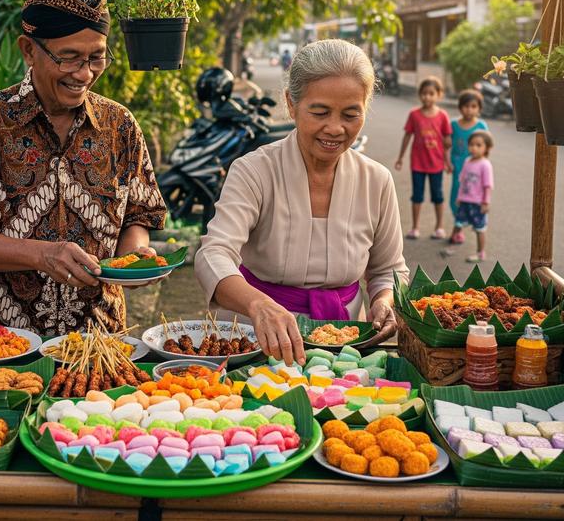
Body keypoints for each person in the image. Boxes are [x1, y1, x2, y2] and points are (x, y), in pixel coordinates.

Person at [0, 0, 167, 335]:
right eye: (69, 57)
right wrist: (41, 254)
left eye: (96, 57)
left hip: (98, 342)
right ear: (28, 50)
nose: (85, 73)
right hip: (0, 344)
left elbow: (139, 214)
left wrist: (133, 259)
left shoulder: (120, 125)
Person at [195, 39, 409, 364]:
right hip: (257, 339)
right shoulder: (254, 171)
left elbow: (388, 269)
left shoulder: (376, 180)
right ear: (291, 105)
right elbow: (214, 253)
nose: (335, 128)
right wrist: (258, 305)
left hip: (348, 342)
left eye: (351, 114)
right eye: (320, 112)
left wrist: (383, 301)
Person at [394, 77, 452, 240]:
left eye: (431, 93)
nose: (427, 97)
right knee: (417, 196)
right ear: (420, 95)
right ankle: (415, 227)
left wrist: (448, 163)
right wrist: (400, 158)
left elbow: (447, 142)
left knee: (438, 196)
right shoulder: (414, 115)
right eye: (424, 93)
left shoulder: (443, 116)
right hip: (418, 164)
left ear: (439, 95)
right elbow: (407, 136)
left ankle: (439, 227)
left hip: (437, 164)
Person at [447, 89, 488, 245]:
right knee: (455, 198)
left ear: (479, 109)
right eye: (466, 106)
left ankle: (460, 227)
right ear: (460, 107)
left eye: (473, 106)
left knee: (471, 197)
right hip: (458, 166)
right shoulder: (453, 125)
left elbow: (487, 146)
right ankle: (460, 222)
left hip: (475, 170)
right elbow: (446, 145)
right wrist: (448, 162)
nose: (469, 110)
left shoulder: (481, 125)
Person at [449, 130, 494, 263]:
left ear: (487, 148)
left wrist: (485, 202)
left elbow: (488, 185)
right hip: (464, 200)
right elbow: (462, 181)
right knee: (458, 222)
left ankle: (480, 253)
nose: (474, 148)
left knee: (479, 228)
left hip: (477, 203)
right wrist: (459, 196)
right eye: (471, 144)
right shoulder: (468, 161)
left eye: (478, 145)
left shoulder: (485, 165)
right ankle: (453, 239)